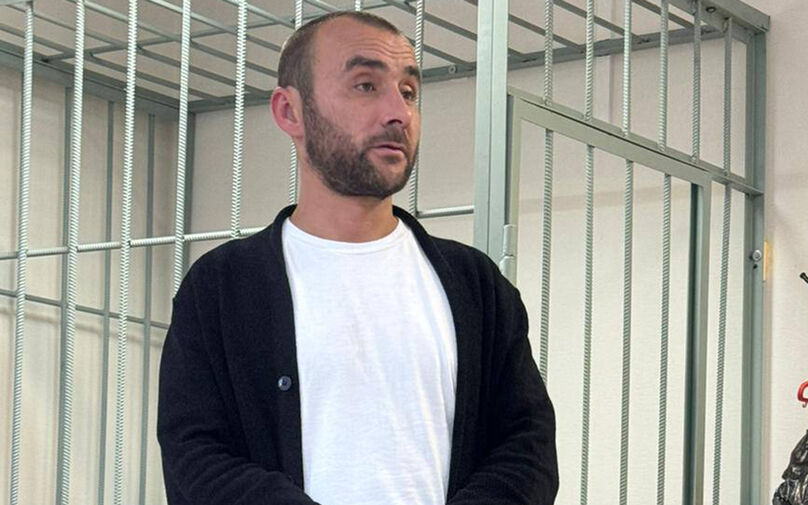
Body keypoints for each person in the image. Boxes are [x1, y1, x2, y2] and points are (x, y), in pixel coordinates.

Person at [157, 10, 558, 505]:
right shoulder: (221, 287)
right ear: (290, 112)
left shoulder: (475, 285)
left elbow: (527, 446)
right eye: (366, 85)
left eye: (409, 92)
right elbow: (195, 453)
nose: (398, 113)